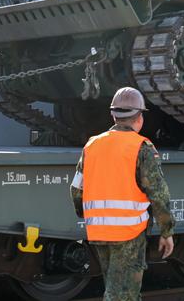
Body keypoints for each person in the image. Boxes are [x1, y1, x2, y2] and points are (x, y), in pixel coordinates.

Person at [70, 87, 175, 300]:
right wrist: (166, 231)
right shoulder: (141, 147)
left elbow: (76, 189)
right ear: (139, 117)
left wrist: (87, 215)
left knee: (114, 286)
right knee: (123, 295)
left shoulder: (92, 145)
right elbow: (158, 194)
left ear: (113, 115)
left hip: (98, 232)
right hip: (128, 232)